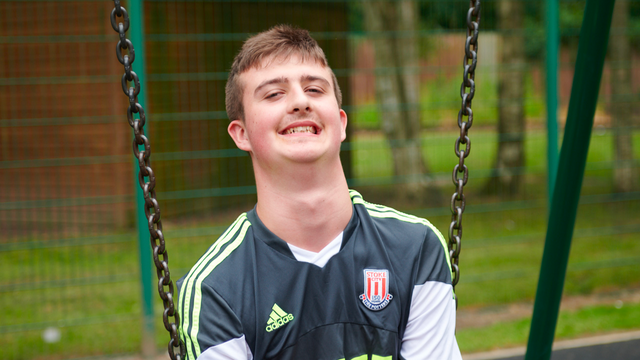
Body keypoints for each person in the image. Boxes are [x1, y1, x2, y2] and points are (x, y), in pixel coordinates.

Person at [177, 24, 461, 360]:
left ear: (341, 122)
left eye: (314, 89)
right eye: (273, 94)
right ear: (241, 134)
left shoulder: (415, 249)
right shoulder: (216, 289)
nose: (299, 102)